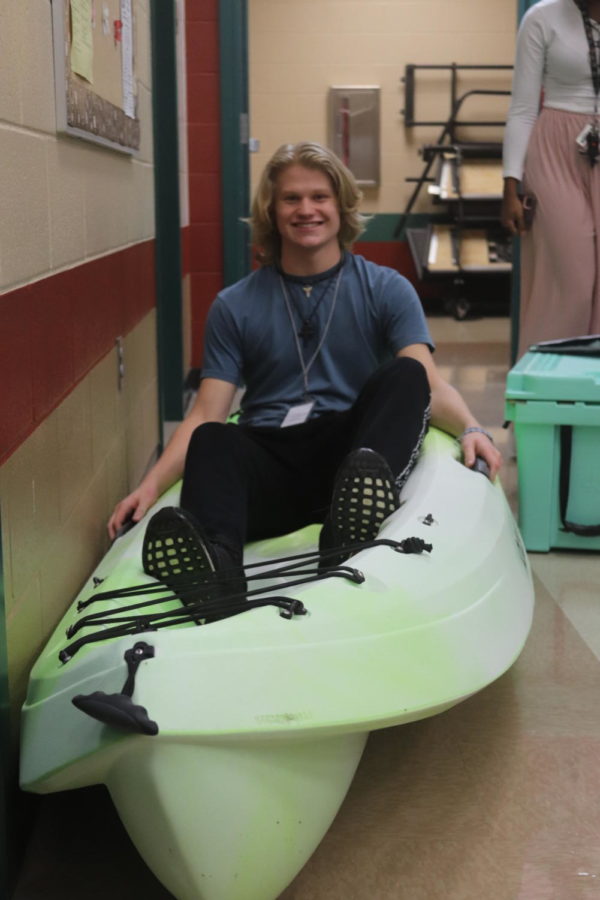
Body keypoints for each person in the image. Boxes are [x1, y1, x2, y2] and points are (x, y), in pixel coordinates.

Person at [108, 141, 501, 589]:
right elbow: (205, 411)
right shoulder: (234, 306)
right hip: (271, 458)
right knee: (213, 438)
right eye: (291, 198)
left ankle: (347, 530)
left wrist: (471, 426)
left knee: (406, 375)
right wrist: (150, 486)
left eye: (320, 197)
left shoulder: (386, 289)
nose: (306, 210)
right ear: (271, 212)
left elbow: (427, 385)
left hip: (352, 459)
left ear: (341, 206)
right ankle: (216, 571)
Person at [502, 0, 600, 358]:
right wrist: (511, 183)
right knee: (571, 280)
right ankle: (541, 385)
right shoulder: (542, 16)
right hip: (556, 150)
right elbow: (523, 108)